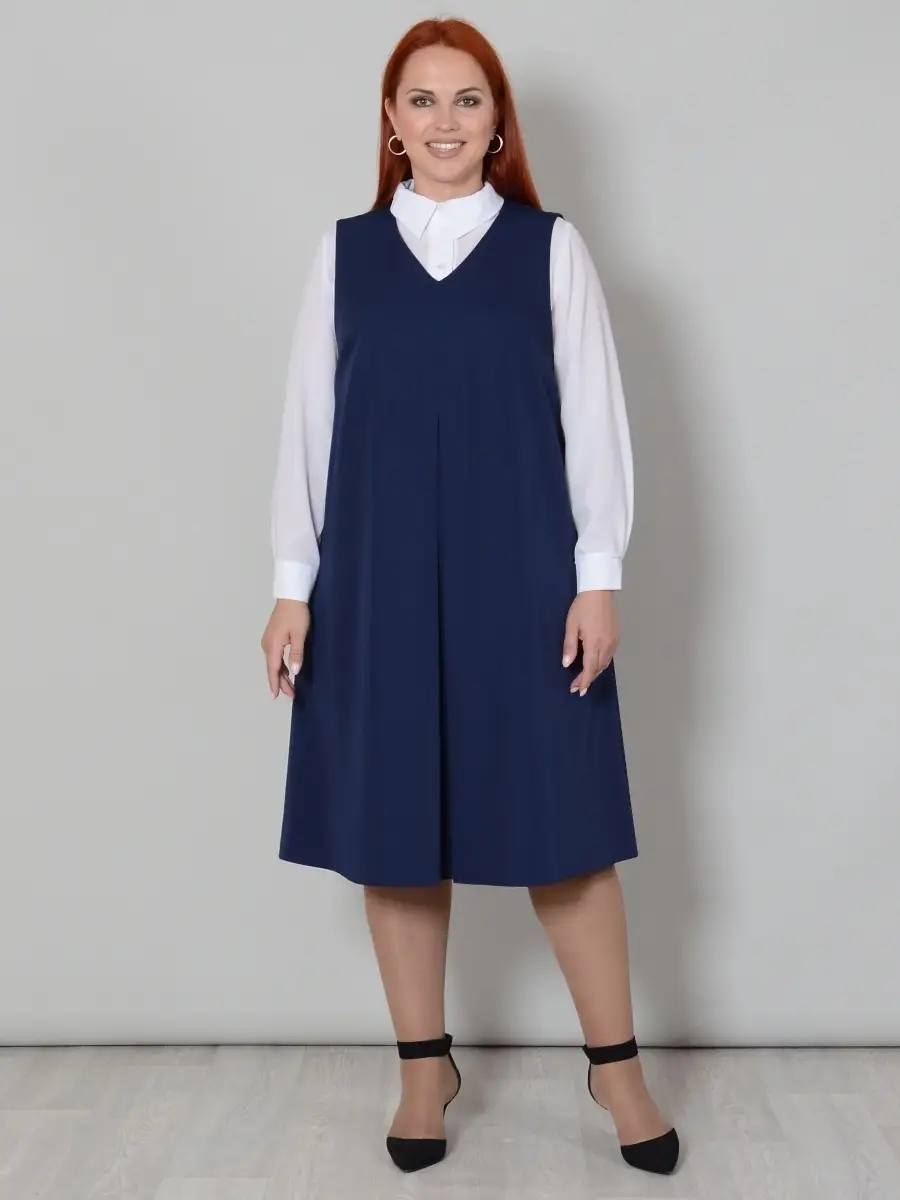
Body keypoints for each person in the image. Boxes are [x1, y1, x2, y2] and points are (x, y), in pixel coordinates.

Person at [261, 16, 680, 1178]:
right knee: (396, 836)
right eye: (422, 99)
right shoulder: (344, 253)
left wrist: (598, 576)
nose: (444, 121)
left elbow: (595, 421)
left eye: (467, 99)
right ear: (391, 123)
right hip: (376, 578)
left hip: (527, 578)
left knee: (567, 835)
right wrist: (293, 586)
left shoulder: (551, 249)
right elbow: (307, 427)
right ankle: (422, 1072)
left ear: (498, 123)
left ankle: (617, 1071)